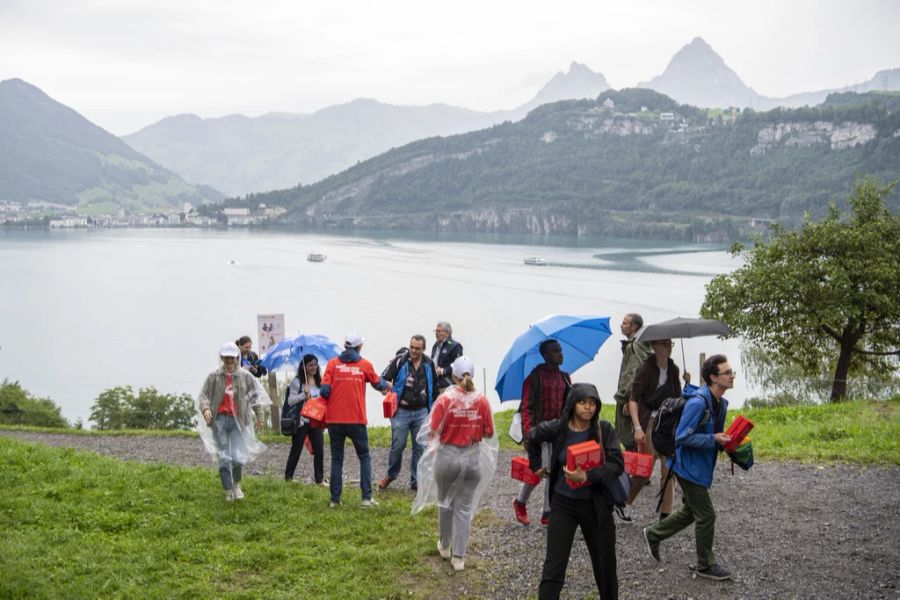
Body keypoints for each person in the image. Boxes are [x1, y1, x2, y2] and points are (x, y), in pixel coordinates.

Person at [527, 383, 623, 600]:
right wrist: (536, 466)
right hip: (563, 505)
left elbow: (617, 464)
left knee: (605, 566)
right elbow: (532, 437)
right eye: (582, 402)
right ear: (572, 404)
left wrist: (587, 477)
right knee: (554, 566)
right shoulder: (559, 428)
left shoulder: (603, 429)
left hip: (595, 505)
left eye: (592, 403)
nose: (588, 408)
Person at [642, 354, 735, 581]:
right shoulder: (698, 403)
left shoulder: (719, 402)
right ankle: (705, 564)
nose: (732, 377)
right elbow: (682, 437)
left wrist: (729, 443)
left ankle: (653, 534)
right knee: (707, 515)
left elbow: (712, 435)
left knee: (691, 512)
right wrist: (714, 439)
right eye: (727, 373)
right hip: (687, 467)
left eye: (732, 372)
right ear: (713, 377)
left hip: (700, 466)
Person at [412, 356, 497, 572]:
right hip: (472, 458)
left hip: (448, 457)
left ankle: (444, 545)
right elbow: (489, 433)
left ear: (453, 376)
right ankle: (459, 557)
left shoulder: (445, 399)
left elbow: (432, 431)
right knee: (465, 508)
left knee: (445, 502)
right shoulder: (482, 400)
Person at [619, 338, 690, 523]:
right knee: (645, 471)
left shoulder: (674, 369)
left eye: (670, 344)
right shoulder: (645, 369)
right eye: (664, 343)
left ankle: (665, 515)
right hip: (649, 422)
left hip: (667, 424)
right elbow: (633, 400)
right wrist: (637, 428)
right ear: (653, 346)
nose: (668, 347)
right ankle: (624, 502)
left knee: (669, 468)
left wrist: (686, 383)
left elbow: (678, 399)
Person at [321, 331, 391, 508]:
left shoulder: (332, 364)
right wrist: (388, 387)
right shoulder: (364, 365)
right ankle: (366, 498)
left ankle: (334, 500)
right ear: (359, 347)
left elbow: (324, 392)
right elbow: (378, 384)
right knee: (364, 457)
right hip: (356, 419)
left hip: (334, 420)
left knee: (337, 459)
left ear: (345, 346)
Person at [197, 342, 270, 501]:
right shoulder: (214, 377)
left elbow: (255, 397)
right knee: (223, 456)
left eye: (232, 358)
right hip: (220, 421)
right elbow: (204, 396)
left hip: (239, 421)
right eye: (226, 358)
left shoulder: (245, 376)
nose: (230, 361)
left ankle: (237, 484)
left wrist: (260, 417)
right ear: (222, 358)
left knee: (237, 456)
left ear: (237, 358)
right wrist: (206, 409)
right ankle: (228, 489)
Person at [514, 339, 572, 527]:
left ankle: (548, 512)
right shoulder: (534, 377)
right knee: (542, 470)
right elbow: (526, 407)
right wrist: (529, 433)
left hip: (559, 432)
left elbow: (568, 406)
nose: (561, 354)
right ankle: (520, 502)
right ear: (546, 355)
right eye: (556, 351)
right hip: (539, 432)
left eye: (561, 350)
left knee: (554, 470)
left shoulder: (565, 377)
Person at [378, 334, 438, 491]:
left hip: (422, 412)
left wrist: (435, 412)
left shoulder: (429, 363)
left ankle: (415, 480)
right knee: (398, 445)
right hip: (401, 411)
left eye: (418, 348)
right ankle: (391, 475)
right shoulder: (399, 361)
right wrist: (386, 386)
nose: (414, 350)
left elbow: (435, 389)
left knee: (420, 447)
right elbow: (382, 378)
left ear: (424, 349)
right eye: (412, 347)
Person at [282, 353, 326, 486]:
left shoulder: (320, 381)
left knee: (319, 450)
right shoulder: (297, 381)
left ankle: (319, 480)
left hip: (316, 420)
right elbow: (290, 401)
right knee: (296, 449)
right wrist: (303, 394)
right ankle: (288, 477)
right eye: (310, 365)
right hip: (301, 421)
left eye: (315, 364)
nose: (313, 367)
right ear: (303, 367)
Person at [612, 313, 651, 452]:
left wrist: (626, 399)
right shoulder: (643, 346)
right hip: (641, 400)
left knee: (630, 438)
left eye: (624, 323)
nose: (621, 326)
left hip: (631, 401)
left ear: (634, 327)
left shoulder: (633, 347)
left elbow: (632, 374)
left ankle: (634, 471)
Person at [431, 321, 463, 392]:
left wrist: (443, 371)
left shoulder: (455, 346)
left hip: (448, 386)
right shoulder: (436, 345)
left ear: (447, 332)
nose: (436, 333)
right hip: (435, 384)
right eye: (436, 331)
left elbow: (459, 365)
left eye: (439, 331)